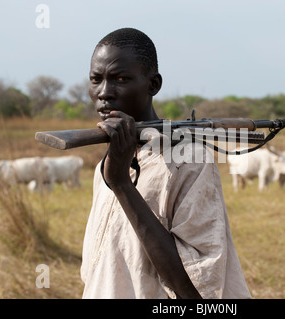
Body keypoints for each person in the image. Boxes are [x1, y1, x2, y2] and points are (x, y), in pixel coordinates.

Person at [80, 27, 251, 299]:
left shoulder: (190, 161)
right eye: (95, 79)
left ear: (153, 84)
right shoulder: (111, 158)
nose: (104, 92)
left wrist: (122, 184)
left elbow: (195, 291)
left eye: (121, 79)